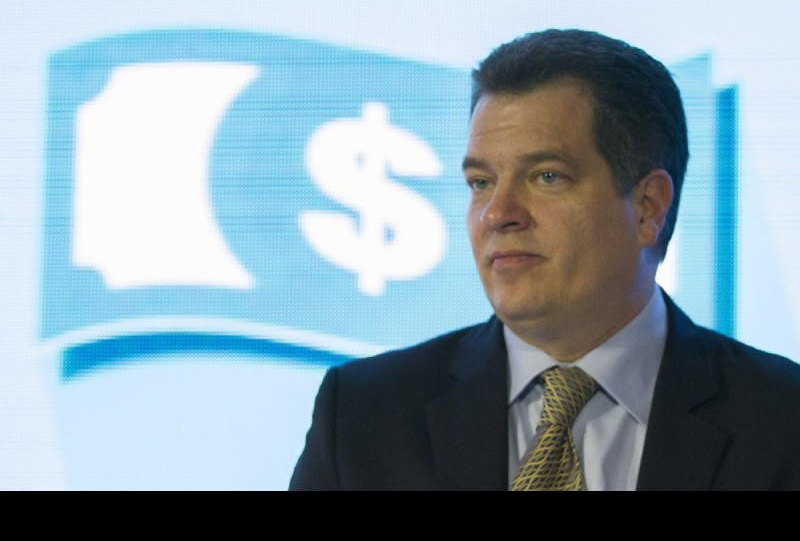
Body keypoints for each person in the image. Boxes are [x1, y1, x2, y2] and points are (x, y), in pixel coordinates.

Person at [288, 29, 800, 491]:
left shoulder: (783, 422)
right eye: (480, 182)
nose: (497, 214)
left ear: (648, 207)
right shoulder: (364, 418)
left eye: (547, 176)